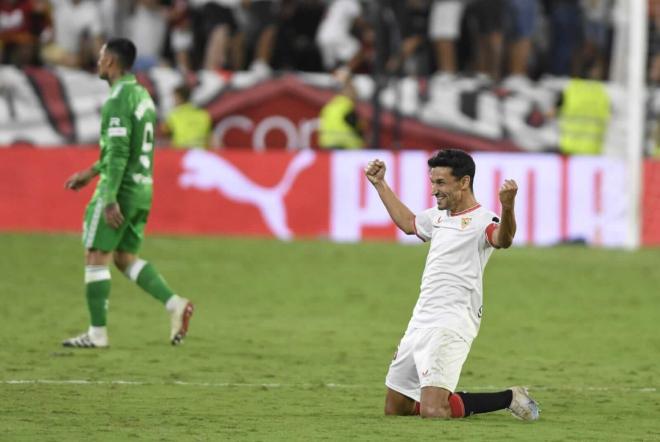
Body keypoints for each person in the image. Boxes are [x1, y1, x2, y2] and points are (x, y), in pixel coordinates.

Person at [364, 149, 539, 420]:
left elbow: (502, 240)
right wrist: (380, 184)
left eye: (441, 183)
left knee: (434, 411)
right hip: (420, 319)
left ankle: (510, 397)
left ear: (464, 182)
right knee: (396, 408)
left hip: (452, 321)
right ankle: (442, 399)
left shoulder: (484, 219)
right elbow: (410, 224)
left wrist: (507, 206)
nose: (434, 190)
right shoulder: (438, 216)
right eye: (433, 182)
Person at [62, 38, 194, 348]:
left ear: (110, 61)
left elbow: (119, 153)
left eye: (100, 57)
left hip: (120, 190)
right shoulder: (142, 96)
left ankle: (97, 334)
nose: (97, 61)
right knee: (124, 258)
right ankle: (175, 304)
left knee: (96, 255)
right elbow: (127, 149)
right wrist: (90, 172)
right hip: (143, 188)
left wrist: (108, 199)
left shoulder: (118, 99)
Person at [160, 84, 212, 149]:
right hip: (200, 151)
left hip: (181, 151)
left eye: (174, 97)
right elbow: (209, 137)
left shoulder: (174, 115)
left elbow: (163, 131)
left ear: (179, 98)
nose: (173, 100)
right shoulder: (203, 114)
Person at [318, 77, 364, 150]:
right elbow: (355, 124)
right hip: (345, 145)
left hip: (327, 144)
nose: (356, 94)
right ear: (347, 91)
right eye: (354, 91)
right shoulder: (347, 105)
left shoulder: (329, 106)